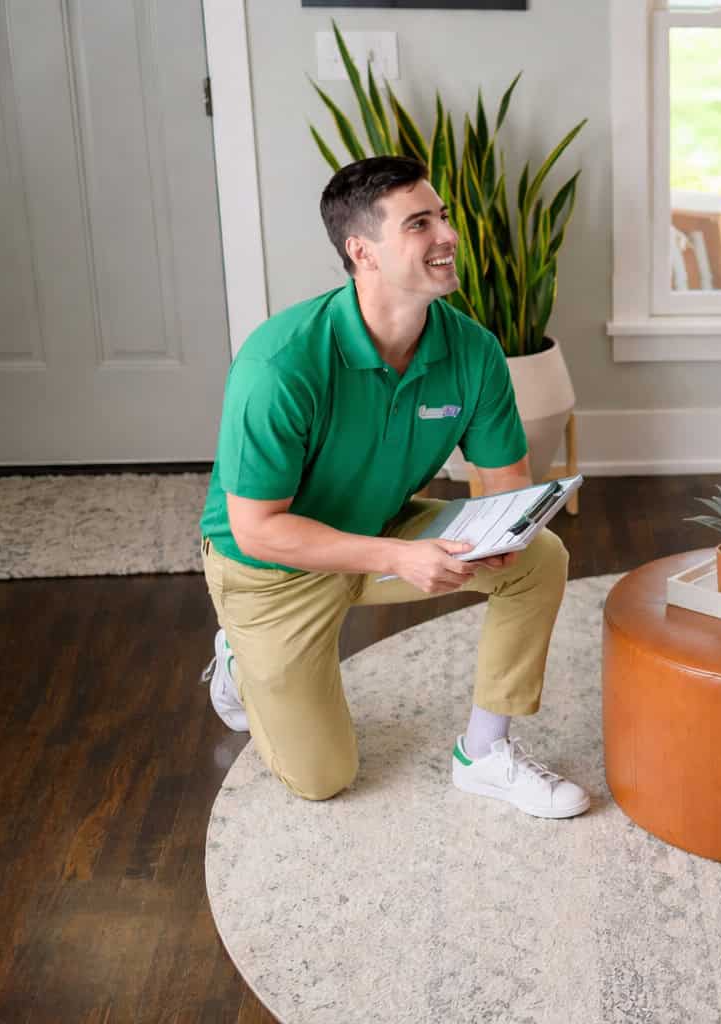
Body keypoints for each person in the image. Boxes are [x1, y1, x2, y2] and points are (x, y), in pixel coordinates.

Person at [197, 155, 586, 818]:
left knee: (538, 557)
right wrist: (398, 558)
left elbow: (505, 485)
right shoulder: (280, 364)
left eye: (442, 216)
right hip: (271, 569)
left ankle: (485, 753)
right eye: (419, 223)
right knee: (323, 778)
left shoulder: (473, 350)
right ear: (362, 251)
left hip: (381, 528)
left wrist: (502, 535)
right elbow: (258, 528)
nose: (448, 234)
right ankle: (237, 658)